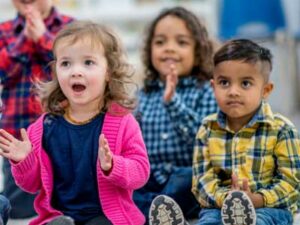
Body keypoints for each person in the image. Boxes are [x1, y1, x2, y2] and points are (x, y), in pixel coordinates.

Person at [0, 20, 150, 225]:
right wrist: (24, 160)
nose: (75, 71)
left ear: (108, 72)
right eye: (66, 63)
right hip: (60, 217)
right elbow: (32, 184)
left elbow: (140, 172)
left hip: (106, 217)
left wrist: (113, 165)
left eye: (88, 62)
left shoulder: (123, 122)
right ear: (56, 72)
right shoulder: (44, 127)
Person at [191, 39, 300, 225]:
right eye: (224, 82)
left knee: (259, 221)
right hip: (220, 206)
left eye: (246, 84)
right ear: (213, 87)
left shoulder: (282, 129)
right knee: (209, 221)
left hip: (269, 208)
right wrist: (226, 199)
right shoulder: (207, 129)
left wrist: (256, 199)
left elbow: (292, 183)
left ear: (265, 90)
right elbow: (202, 180)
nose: (233, 91)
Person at [133, 6, 218, 223]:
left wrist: (173, 103)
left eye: (181, 42)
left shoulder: (207, 91)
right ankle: (157, 211)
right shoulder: (142, 95)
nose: (169, 49)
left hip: (186, 177)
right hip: (151, 177)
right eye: (160, 42)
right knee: (126, 188)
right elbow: (133, 142)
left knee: (192, 180)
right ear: (149, 49)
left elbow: (205, 141)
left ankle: (158, 211)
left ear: (198, 51)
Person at [0, 0, 73, 219]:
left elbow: (72, 67)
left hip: (63, 133)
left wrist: (43, 38)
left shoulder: (72, 29)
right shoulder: (4, 32)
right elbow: (3, 72)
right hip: (16, 135)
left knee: (64, 202)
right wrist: (24, 40)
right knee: (18, 207)